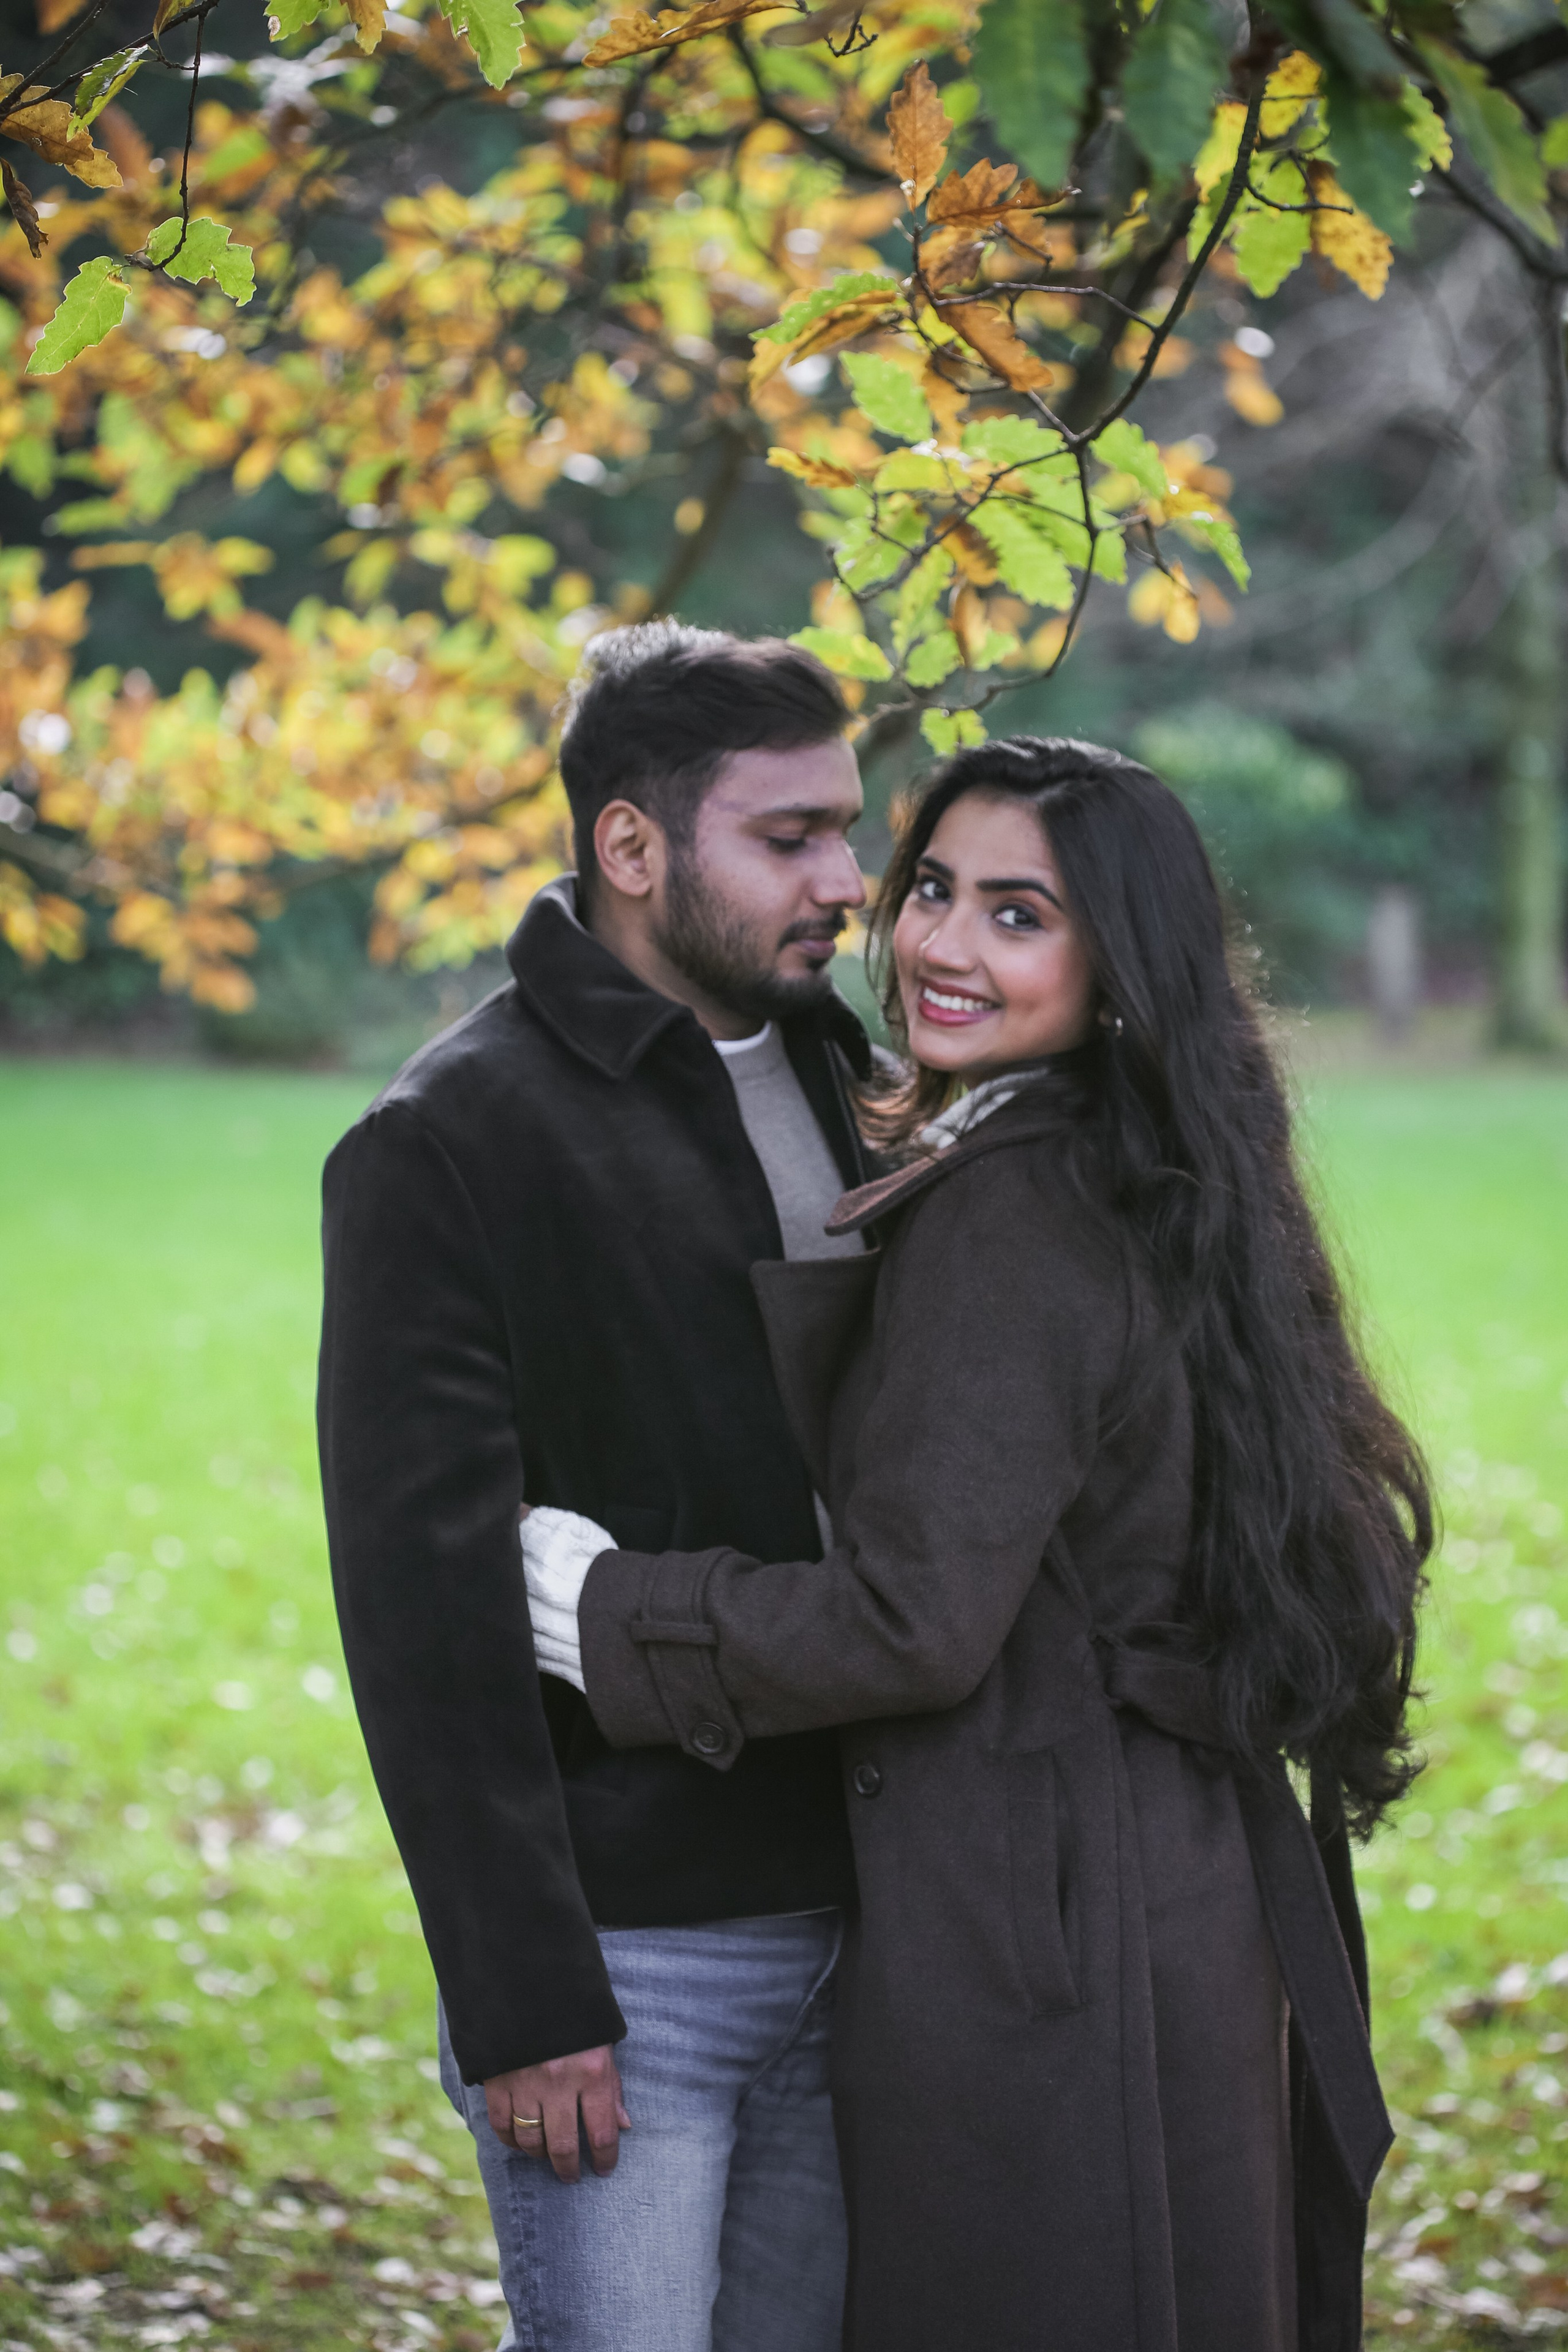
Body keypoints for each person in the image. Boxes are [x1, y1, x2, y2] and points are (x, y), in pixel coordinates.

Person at [521, 735, 1433, 2352]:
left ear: (1121, 960)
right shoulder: (1159, 1162)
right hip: (1168, 1892)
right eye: (933, 888)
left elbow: (909, 1623)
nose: (941, 945)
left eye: (1022, 916)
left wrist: (608, 1612)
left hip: (1054, 1930)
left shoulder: (1022, 1206)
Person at [316, 622, 881, 2352]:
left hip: (868, 1928)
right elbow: (426, 1607)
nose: (848, 881)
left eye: (848, 830)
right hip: (630, 1978)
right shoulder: (447, 1140)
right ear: (630, 847)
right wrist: (522, 1992)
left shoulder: (844, 1073)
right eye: (789, 839)